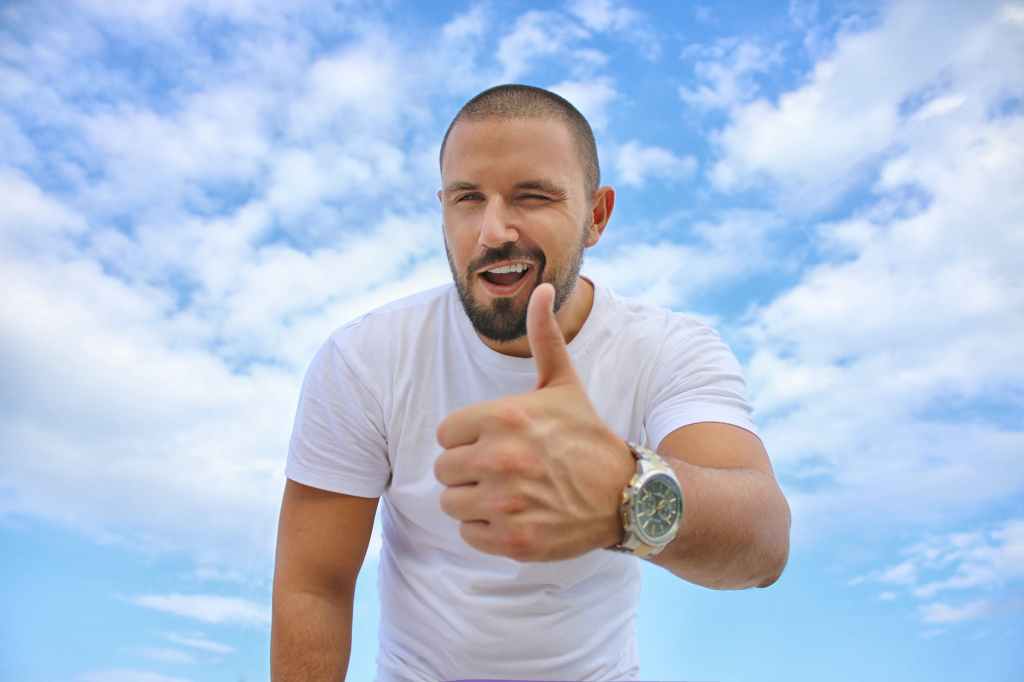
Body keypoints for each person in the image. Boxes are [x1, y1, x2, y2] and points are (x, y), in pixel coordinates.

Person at [271, 83, 791, 682]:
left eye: (533, 196)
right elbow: (315, 586)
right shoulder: (364, 360)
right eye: (467, 198)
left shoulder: (667, 350)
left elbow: (764, 541)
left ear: (596, 216)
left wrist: (626, 494)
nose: (494, 230)